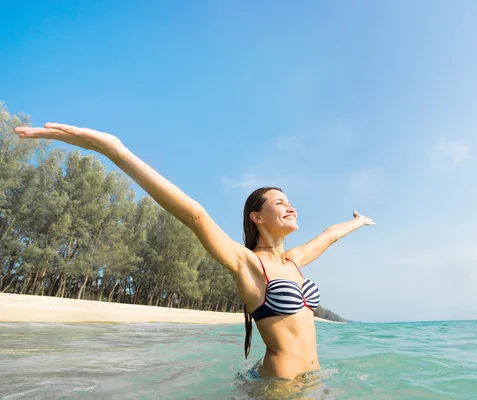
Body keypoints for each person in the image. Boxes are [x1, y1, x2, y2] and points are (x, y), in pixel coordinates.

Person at [14, 123, 375, 380]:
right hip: (276, 390)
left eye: (291, 201)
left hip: (313, 382)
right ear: (257, 216)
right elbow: (196, 216)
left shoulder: (294, 261)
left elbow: (329, 234)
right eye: (280, 202)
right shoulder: (247, 264)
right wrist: (114, 150)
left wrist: (358, 222)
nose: (291, 206)